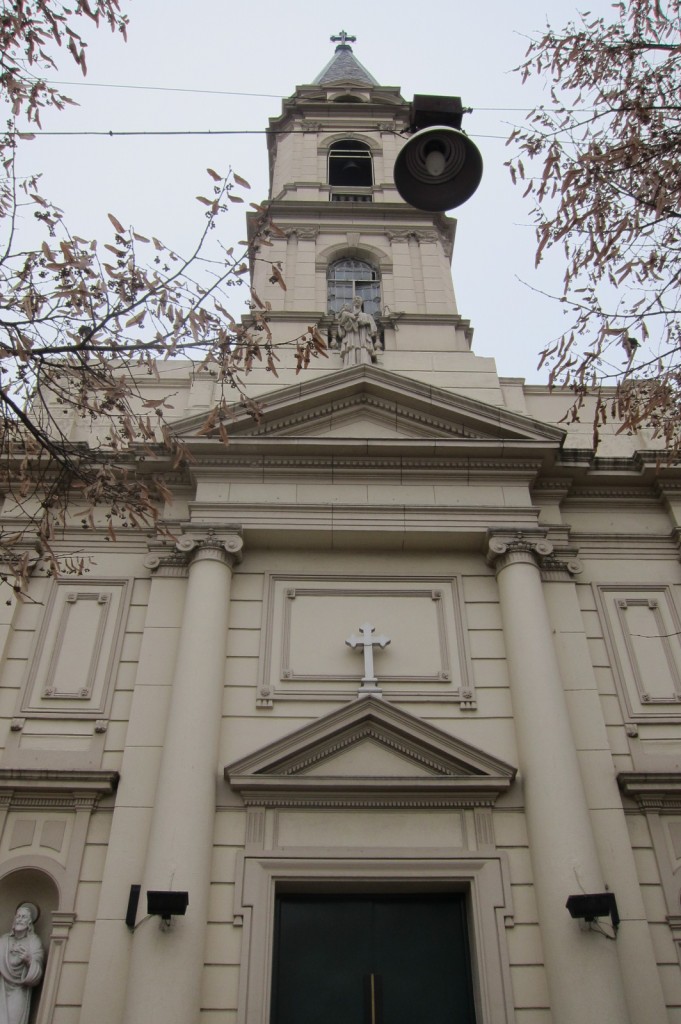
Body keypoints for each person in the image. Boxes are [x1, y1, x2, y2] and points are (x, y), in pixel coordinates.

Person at [0, 904, 44, 1024]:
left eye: (23, 917)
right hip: (2, 985)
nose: (19, 919)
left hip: (19, 989)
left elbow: (38, 971)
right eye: (18, 916)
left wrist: (28, 960)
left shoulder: (33, 941)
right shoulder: (4, 940)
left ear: (29, 922)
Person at [336, 296, 378, 367]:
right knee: (351, 349)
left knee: (363, 348)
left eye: (358, 298)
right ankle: (351, 363)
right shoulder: (348, 315)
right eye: (355, 299)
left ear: (362, 302)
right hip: (351, 337)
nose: (356, 300)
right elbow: (342, 328)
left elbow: (373, 329)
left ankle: (363, 363)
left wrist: (366, 323)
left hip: (363, 337)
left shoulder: (367, 316)